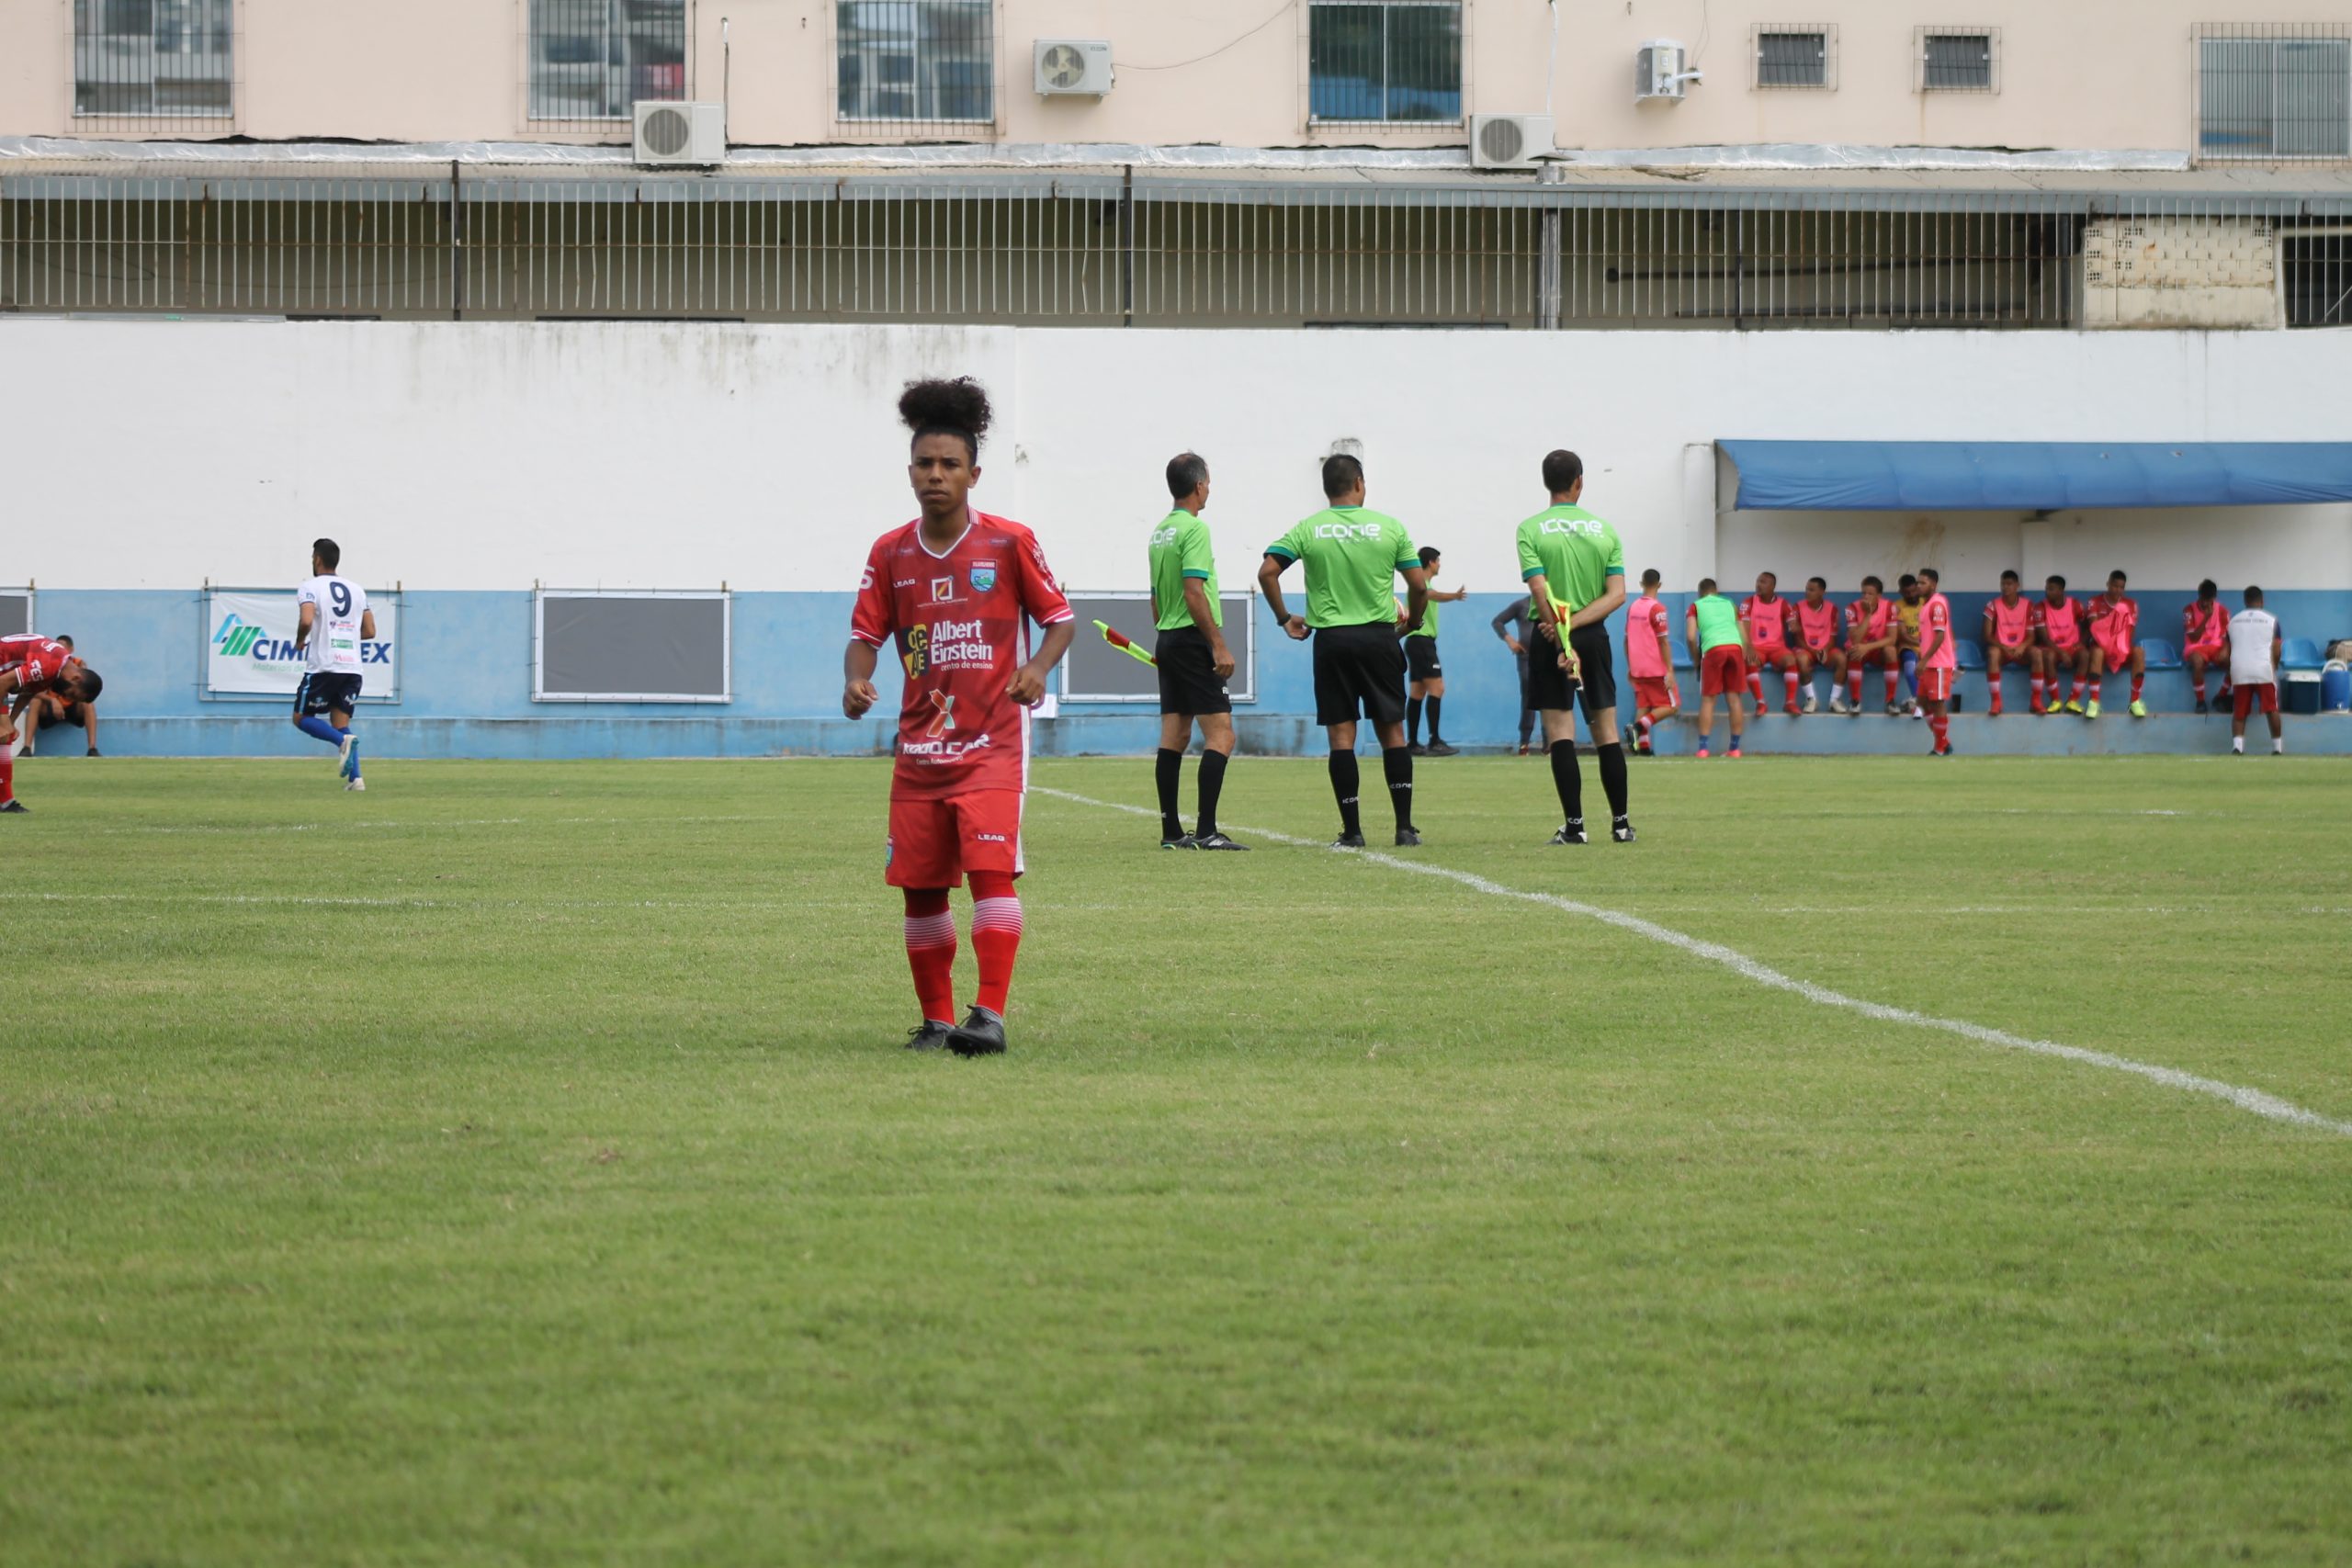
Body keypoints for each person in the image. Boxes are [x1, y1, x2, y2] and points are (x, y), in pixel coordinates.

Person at [844, 378, 1077, 1057]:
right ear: (910, 471)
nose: (936, 475)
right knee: (920, 892)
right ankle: (938, 1020)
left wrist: (1037, 670)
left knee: (989, 876)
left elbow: (1059, 620)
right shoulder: (890, 552)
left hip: (992, 746)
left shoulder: (1008, 543)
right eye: (925, 464)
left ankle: (990, 1015)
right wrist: (858, 680)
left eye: (950, 465)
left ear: (975, 474)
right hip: (918, 754)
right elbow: (866, 635)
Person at [1259, 453, 1429, 849]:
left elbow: (1267, 572)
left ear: (1326, 488)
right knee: (1392, 731)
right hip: (1379, 639)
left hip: (1332, 642)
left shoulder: (1308, 528)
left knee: (1341, 737)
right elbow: (1418, 587)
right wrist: (1414, 622)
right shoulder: (1390, 528)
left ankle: (1352, 831)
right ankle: (1404, 828)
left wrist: (1284, 617)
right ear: (1359, 483)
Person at [1516, 449, 1632, 843]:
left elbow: (1538, 587)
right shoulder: (1606, 531)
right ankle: (1620, 825)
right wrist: (1577, 624)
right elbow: (1617, 595)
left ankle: (1575, 828)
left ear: (1546, 482)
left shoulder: (1529, 529)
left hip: (1550, 637)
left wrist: (1560, 629)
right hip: (1593, 636)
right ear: (1579, 481)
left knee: (1560, 731)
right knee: (1607, 730)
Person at [1147, 452, 1245, 852]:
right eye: (1208, 483)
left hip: (1169, 638)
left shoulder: (1159, 532)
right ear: (1199, 485)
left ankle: (1172, 831)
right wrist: (1217, 644)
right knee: (1221, 735)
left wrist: (1165, 641)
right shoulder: (1195, 530)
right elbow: (1193, 592)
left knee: (1175, 734)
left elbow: (1155, 597)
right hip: (1192, 639)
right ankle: (1207, 830)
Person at [292, 539, 374, 792]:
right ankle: (356, 779)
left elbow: (306, 620)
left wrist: (300, 640)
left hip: (324, 665)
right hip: (352, 668)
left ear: (317, 559)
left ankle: (341, 743)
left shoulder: (310, 587)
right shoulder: (357, 590)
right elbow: (370, 631)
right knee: (341, 720)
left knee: (301, 717)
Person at [0, 635, 102, 812]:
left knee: (3, 740)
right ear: (77, 679)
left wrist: (10, 722)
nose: (67, 698)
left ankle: (5, 801)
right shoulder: (49, 666)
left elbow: (28, 692)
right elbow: (2, 682)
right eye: (73, 695)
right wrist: (3, 722)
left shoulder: (57, 671)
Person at [1405, 546, 1468, 757]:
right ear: (1431, 562)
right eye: (1438, 560)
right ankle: (1434, 740)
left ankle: (1412, 743)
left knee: (1417, 692)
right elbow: (1433, 595)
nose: (1439, 564)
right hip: (1421, 642)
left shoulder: (1423, 583)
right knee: (1437, 688)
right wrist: (1455, 596)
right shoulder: (1421, 584)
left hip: (1418, 643)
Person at [1685, 578, 1747, 761]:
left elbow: (1690, 637)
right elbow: (1742, 633)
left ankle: (1703, 749)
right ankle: (1734, 749)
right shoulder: (1730, 604)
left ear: (1700, 593)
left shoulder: (1696, 606)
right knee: (1734, 698)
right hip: (1735, 648)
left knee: (1708, 700)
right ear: (1716, 591)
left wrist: (1696, 659)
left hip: (1713, 649)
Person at [1623, 568, 1678, 753]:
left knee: (1644, 705)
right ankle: (1637, 728)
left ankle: (1644, 749)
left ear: (1641, 584)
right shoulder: (1657, 609)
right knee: (1672, 706)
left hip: (1638, 668)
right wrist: (1669, 670)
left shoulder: (1632, 608)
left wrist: (1631, 666)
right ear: (1659, 585)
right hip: (1655, 668)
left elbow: (1626, 640)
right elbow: (1663, 641)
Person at [2226, 585, 2284, 755]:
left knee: (2239, 710)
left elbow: (2226, 651)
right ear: (2262, 600)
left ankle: (2237, 746)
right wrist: (2274, 664)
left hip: (2239, 669)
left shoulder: (2233, 621)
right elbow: (2277, 649)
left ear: (2245, 601)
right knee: (2271, 709)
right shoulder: (2272, 621)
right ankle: (2277, 748)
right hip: (2263, 669)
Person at [20, 635, 99, 756]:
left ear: (71, 650)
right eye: (58, 647)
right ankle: (26, 748)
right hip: (50, 708)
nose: (60, 650)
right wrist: (52, 700)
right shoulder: (47, 664)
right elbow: (34, 690)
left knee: (88, 704)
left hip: (72, 708)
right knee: (35, 701)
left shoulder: (78, 666)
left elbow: (82, 690)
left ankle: (92, 749)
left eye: (63, 647)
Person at [1981, 570, 2042, 716]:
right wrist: (2004, 647)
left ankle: (2036, 700)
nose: (2005, 587)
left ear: (2017, 586)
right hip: (2002, 650)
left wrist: (2021, 646)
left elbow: (2031, 636)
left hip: (2021, 650)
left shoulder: (2028, 605)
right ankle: (1996, 701)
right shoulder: (1992, 605)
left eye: (2009, 584)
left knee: (2037, 653)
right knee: (1992, 653)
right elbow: (1986, 636)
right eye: (2003, 584)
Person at [2085, 569, 2145, 719]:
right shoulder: (2095, 602)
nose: (2117, 590)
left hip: (2120, 648)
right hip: (2101, 647)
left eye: (2121, 587)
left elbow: (2130, 631)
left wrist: (2121, 649)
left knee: (2139, 651)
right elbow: (2095, 629)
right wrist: (2109, 646)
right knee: (2097, 652)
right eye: (2114, 586)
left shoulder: (2131, 604)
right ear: (2108, 584)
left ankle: (2135, 701)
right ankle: (2094, 702)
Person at [1740, 570, 1801, 716]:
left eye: (1763, 582)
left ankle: (1790, 702)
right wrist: (1749, 648)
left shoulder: (1783, 604)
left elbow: (1794, 625)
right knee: (1750, 661)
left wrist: (1794, 626)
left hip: (1777, 648)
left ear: (1773, 586)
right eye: (1758, 581)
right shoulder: (1748, 603)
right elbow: (1743, 628)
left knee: (1791, 660)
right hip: (1757, 648)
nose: (1759, 585)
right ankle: (1761, 703)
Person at [1842, 575, 1902, 716]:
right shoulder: (1852, 608)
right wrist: (1868, 615)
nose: (1866, 596)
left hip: (1876, 650)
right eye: (1863, 593)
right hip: (1859, 649)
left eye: (1870, 594)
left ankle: (1890, 701)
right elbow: (1855, 639)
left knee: (1891, 651)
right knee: (1854, 649)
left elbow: (1892, 639)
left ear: (1879, 595)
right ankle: (1855, 701)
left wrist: (1868, 647)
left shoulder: (1889, 607)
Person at [1915, 566, 1956, 756]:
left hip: (1938, 663)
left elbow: (1940, 636)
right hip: (1929, 663)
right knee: (1922, 701)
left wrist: (1924, 660)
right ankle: (1944, 741)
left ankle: (1939, 747)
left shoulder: (1937, 604)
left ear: (1933, 584)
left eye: (1923, 582)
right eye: (1918, 582)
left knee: (1938, 703)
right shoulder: (1926, 605)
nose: (1919, 586)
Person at [1490, 592, 1539, 754]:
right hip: (1525, 657)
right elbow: (1497, 621)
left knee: (1549, 699)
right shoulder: (1521, 605)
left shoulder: (1553, 603)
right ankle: (1524, 742)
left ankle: (1550, 744)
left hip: (1548, 658)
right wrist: (1510, 640)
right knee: (1528, 696)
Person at [2033, 575, 2088, 715]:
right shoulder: (2040, 608)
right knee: (2048, 657)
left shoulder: (2075, 605)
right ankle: (2056, 700)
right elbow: (2044, 638)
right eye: (2046, 588)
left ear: (2061, 590)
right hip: (2051, 647)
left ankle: (2073, 700)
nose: (2047, 592)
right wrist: (2062, 653)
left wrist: (2080, 643)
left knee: (2085, 655)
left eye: (2051, 589)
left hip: (2072, 647)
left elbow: (2089, 626)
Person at [1790, 577, 1843, 714]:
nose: (1807, 592)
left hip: (1825, 649)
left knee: (1842, 659)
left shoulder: (1832, 609)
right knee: (1801, 660)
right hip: (1805, 648)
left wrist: (1825, 650)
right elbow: (1797, 638)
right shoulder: (1797, 607)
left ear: (1822, 592)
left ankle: (1834, 700)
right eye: (1807, 589)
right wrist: (1813, 651)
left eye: (1812, 590)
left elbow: (1832, 636)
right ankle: (1811, 699)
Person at [2183, 579, 2233, 715]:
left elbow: (2229, 636)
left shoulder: (2223, 611)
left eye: (2208, 599)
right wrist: (2206, 617)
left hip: (2216, 648)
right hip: (2195, 648)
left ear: (2214, 597)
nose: (2205, 603)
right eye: (2202, 599)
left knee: (2235, 664)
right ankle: (2200, 702)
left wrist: (2225, 649)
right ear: (2199, 595)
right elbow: (2193, 637)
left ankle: (2220, 696)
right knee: (2197, 662)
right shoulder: (2189, 610)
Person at [1894, 573, 1925, 716]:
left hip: (1928, 647)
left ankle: (1923, 701)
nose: (1911, 595)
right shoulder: (1897, 607)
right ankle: (1919, 700)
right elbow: (1903, 635)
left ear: (1918, 589)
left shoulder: (1927, 603)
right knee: (1909, 667)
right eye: (1907, 593)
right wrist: (1920, 644)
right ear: (1901, 592)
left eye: (1913, 591)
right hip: (1908, 646)